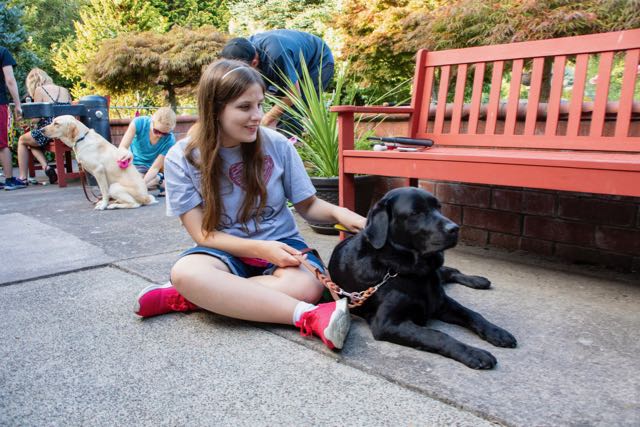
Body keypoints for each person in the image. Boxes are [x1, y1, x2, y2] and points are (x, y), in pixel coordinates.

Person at [133, 59, 365, 351]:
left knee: (307, 286)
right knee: (186, 273)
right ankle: (307, 315)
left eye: (260, 105)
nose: (257, 116)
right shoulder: (181, 157)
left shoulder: (277, 144)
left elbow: (308, 206)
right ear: (214, 109)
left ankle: (191, 297)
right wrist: (259, 248)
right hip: (222, 249)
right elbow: (202, 236)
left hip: (283, 244)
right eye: (244, 107)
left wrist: (341, 214)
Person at [220, 29, 334, 131]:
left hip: (317, 61)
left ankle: (293, 147)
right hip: (287, 60)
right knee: (275, 106)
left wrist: (265, 120)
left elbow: (294, 94)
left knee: (292, 113)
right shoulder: (242, 49)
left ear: (254, 62)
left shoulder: (276, 55)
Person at [7, 68, 72, 190]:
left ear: (33, 81)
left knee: (22, 140)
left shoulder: (39, 90)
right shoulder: (64, 89)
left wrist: (27, 120)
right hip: (66, 129)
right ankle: (46, 167)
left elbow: (36, 118)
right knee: (31, 141)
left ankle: (23, 178)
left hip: (50, 129)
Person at [117, 107, 176, 196]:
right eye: (156, 131)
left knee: (132, 188)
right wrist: (127, 153)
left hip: (151, 168)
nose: (159, 136)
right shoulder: (139, 123)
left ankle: (157, 179)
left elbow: (155, 168)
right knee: (125, 186)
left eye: (164, 133)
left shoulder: (170, 139)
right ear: (152, 121)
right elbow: (122, 147)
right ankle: (159, 181)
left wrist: (141, 185)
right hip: (133, 163)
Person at [0, 46, 22, 190]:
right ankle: (9, 180)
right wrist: (18, 105)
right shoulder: (2, 52)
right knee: (2, 143)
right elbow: (10, 80)